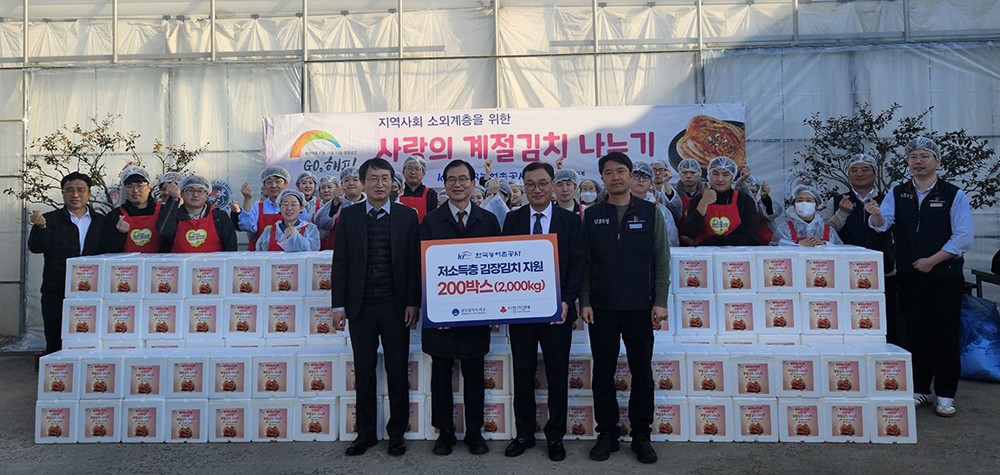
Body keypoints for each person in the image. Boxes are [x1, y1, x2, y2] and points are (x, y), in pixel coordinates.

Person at [868, 136, 973, 418]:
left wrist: (932, 261)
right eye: (913, 156)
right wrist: (876, 214)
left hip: (945, 276)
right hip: (910, 275)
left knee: (945, 335)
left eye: (924, 156)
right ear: (907, 161)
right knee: (917, 333)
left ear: (937, 160)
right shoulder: (898, 192)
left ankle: (946, 395)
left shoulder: (953, 194)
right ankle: (921, 388)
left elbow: (963, 237)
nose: (918, 161)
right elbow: (882, 225)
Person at [580, 152, 669, 465]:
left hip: (639, 306)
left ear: (631, 176)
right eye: (608, 172)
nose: (615, 177)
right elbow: (585, 263)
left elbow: (662, 259)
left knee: (641, 372)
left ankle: (641, 433)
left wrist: (660, 301)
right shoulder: (591, 216)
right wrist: (585, 301)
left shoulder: (650, 212)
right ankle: (607, 433)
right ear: (602, 178)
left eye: (621, 171)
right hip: (602, 307)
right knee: (603, 372)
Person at [331, 158, 421, 457]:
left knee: (397, 371)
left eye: (385, 178)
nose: (379, 184)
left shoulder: (407, 216)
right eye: (373, 179)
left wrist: (412, 302)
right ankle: (366, 434)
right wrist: (338, 305)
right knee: (364, 371)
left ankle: (397, 434)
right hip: (361, 308)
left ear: (393, 182)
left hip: (396, 307)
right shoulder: (350, 216)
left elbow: (413, 264)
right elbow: (341, 262)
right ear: (362, 183)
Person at [502, 162, 587, 462]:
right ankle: (524, 433)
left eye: (542, 183)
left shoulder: (570, 221)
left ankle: (555, 436)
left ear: (552, 185)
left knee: (557, 375)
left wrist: (567, 300)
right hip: (522, 313)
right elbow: (503, 263)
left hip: (557, 312)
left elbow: (578, 263)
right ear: (524, 187)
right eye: (530, 184)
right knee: (522, 374)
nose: (536, 189)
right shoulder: (512, 220)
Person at [420, 159, 501, 457]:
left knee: (474, 373)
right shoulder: (431, 221)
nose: (457, 184)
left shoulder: (488, 221)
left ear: (472, 183)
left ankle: (474, 432)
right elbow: (420, 267)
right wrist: (430, 307)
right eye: (451, 179)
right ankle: (445, 432)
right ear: (444, 183)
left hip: (476, 312)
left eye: (463, 179)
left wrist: (495, 308)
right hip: (439, 313)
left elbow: (496, 267)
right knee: (441, 374)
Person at [822, 153, 899, 343]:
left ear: (874, 173)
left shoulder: (888, 200)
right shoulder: (837, 201)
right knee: (849, 318)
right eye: (854, 170)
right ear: (848, 175)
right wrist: (842, 213)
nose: (860, 174)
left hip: (883, 270)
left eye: (865, 169)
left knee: (884, 319)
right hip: (844, 272)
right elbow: (824, 234)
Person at [28, 172, 106, 354]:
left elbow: (111, 251)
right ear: (63, 193)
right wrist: (40, 228)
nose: (75, 194)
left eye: (80, 190)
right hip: (57, 290)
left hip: (93, 292)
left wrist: (120, 233)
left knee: (89, 341)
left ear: (89, 193)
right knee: (55, 341)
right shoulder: (49, 220)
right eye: (70, 190)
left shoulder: (101, 221)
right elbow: (36, 248)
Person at [682, 156, 760, 246]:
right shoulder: (697, 200)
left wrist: (714, 241)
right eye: (715, 174)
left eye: (725, 175)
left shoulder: (744, 201)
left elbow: (750, 237)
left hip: (736, 254)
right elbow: (691, 234)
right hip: (704, 253)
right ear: (709, 176)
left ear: (733, 177)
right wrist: (703, 204)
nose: (720, 179)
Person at [157, 175, 238, 253]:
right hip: (180, 262)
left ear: (207, 195)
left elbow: (231, 248)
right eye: (190, 190)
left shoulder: (219, 217)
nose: (195, 195)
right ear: (181, 194)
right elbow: (165, 232)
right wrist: (173, 199)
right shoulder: (173, 216)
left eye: (200, 191)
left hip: (213, 262)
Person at [102, 165, 170, 253]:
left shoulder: (164, 212)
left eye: (139, 186)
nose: (135, 190)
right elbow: (107, 250)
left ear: (149, 188)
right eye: (130, 186)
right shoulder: (115, 215)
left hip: (157, 261)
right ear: (124, 190)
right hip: (127, 262)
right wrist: (119, 234)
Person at [236, 166, 304, 251]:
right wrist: (247, 199)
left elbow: (305, 231)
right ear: (264, 185)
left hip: (291, 256)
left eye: (278, 181)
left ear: (286, 183)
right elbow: (246, 226)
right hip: (261, 256)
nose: (273, 185)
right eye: (269, 182)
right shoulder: (257, 208)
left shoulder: (297, 207)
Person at [771, 184, 843, 246]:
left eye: (809, 200)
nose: (804, 203)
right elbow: (774, 249)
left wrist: (824, 244)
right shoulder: (783, 229)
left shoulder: (828, 231)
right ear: (794, 205)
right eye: (800, 200)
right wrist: (797, 244)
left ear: (817, 205)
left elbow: (840, 250)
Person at [632, 162, 680, 247]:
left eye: (645, 177)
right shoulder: (618, 206)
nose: (641, 180)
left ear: (651, 183)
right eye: (636, 175)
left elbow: (671, 241)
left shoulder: (662, 211)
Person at [255, 190, 320, 252]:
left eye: (293, 204)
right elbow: (260, 255)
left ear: (301, 207)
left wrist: (295, 237)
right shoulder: (269, 232)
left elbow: (313, 253)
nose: (289, 208)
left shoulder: (310, 229)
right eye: (285, 204)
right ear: (280, 207)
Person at [675, 158, 706, 245]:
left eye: (693, 172)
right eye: (684, 172)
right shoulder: (672, 196)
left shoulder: (707, 194)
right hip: (677, 243)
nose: (688, 176)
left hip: (703, 243)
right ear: (679, 174)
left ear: (699, 174)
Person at [399, 155, 439, 222]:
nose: (413, 172)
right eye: (409, 168)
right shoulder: (396, 192)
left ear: (423, 173)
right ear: (403, 172)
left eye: (417, 169)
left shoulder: (430, 194)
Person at [314, 175, 345, 250]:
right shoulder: (313, 206)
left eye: (329, 187)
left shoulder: (345, 206)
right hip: (318, 248)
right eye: (322, 188)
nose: (326, 190)